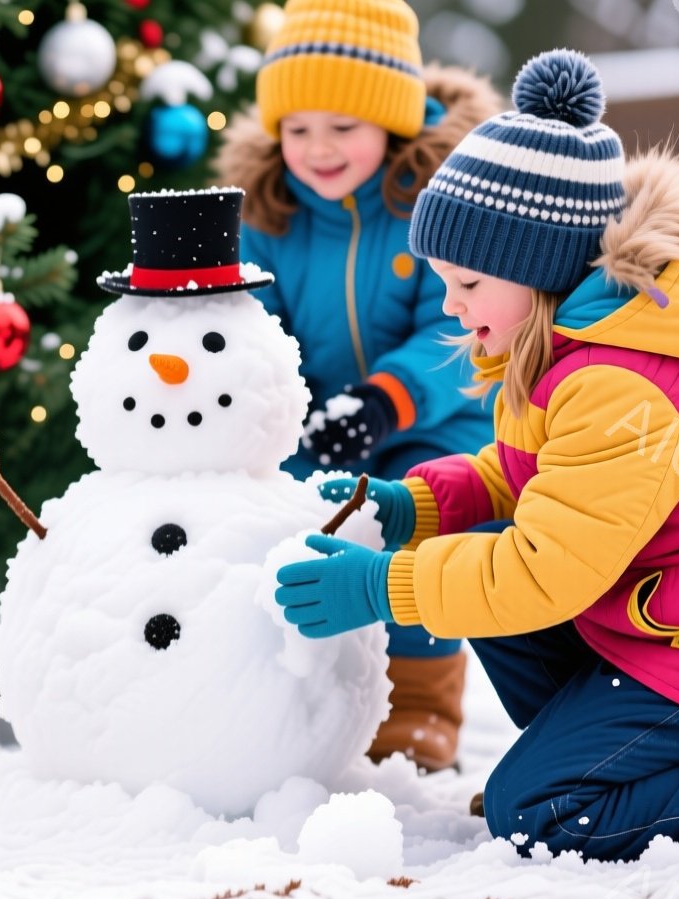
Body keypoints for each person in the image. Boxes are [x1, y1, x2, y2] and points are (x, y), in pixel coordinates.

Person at [275, 49, 679, 860]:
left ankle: (596, 781)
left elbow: (543, 572)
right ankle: (594, 759)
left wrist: (382, 588)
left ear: (539, 268)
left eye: (469, 283)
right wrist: (417, 503)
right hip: (658, 615)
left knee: (538, 813)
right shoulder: (566, 341)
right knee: (480, 551)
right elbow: (537, 481)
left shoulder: (621, 383)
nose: (450, 306)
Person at [215, 0, 502, 770]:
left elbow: (460, 329)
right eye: (298, 128)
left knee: (418, 516)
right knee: (287, 519)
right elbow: (255, 321)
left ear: (394, 122)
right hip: (316, 424)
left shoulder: (435, 204)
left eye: (344, 127)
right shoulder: (269, 214)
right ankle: (290, 696)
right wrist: (276, 404)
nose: (318, 149)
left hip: (435, 419)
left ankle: (418, 704)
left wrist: (384, 399)